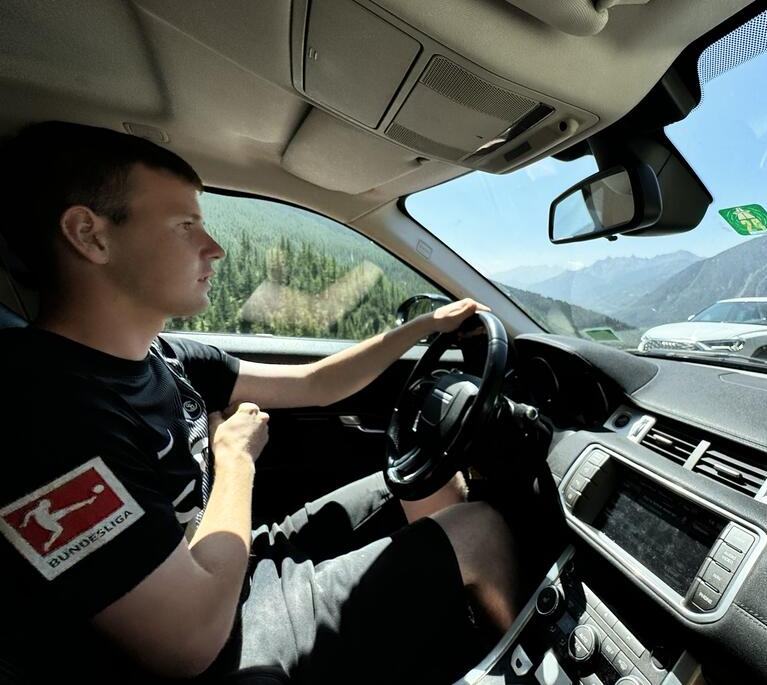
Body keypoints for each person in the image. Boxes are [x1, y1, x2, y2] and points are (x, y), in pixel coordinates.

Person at [0, 121, 519, 684]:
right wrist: (236, 461)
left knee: (424, 477)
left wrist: (419, 328)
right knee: (480, 531)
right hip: (208, 643)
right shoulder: (39, 413)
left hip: (223, 567)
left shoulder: (166, 356)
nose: (214, 247)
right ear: (90, 235)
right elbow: (188, 642)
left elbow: (318, 384)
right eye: (185, 226)